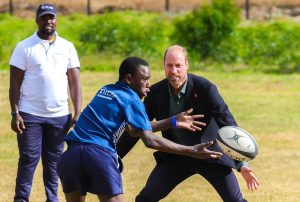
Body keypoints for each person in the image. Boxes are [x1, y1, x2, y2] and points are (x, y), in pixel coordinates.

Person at [56, 56, 223, 202]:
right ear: (129, 78)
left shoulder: (105, 90)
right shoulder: (132, 99)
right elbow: (149, 139)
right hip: (99, 155)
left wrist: (173, 121)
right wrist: (191, 150)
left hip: (71, 156)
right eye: (144, 79)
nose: (148, 84)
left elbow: (133, 129)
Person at [116, 45, 260, 202]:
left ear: (187, 65)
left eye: (178, 65)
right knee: (146, 198)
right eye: (169, 65)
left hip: (209, 154)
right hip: (177, 156)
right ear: (163, 65)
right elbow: (138, 128)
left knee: (235, 200)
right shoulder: (155, 93)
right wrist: (114, 156)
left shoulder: (206, 88)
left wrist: (242, 164)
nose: (174, 71)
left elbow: (227, 123)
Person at [9, 3, 82, 202]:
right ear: (37, 20)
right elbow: (14, 84)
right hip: (29, 115)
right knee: (28, 160)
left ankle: (52, 199)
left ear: (56, 20)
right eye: (44, 17)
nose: (48, 21)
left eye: (52, 17)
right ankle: (21, 199)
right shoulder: (24, 47)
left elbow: (74, 82)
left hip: (59, 116)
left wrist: (77, 112)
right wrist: (15, 113)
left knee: (54, 162)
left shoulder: (67, 47)